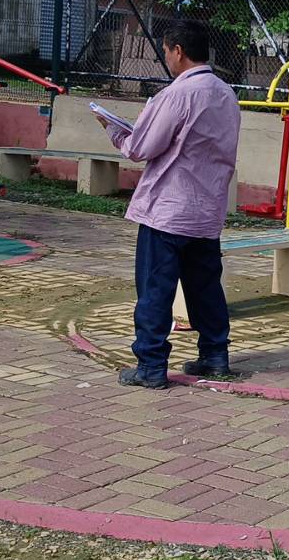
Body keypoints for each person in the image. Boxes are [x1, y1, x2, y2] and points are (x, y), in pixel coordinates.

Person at [100, 20, 240, 389]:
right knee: (205, 287)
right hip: (206, 210)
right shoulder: (226, 94)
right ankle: (215, 355)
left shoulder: (177, 95)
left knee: (155, 289)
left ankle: (151, 364)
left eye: (165, 51)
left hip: (168, 210)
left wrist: (113, 129)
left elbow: (141, 147)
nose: (166, 58)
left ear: (178, 51)